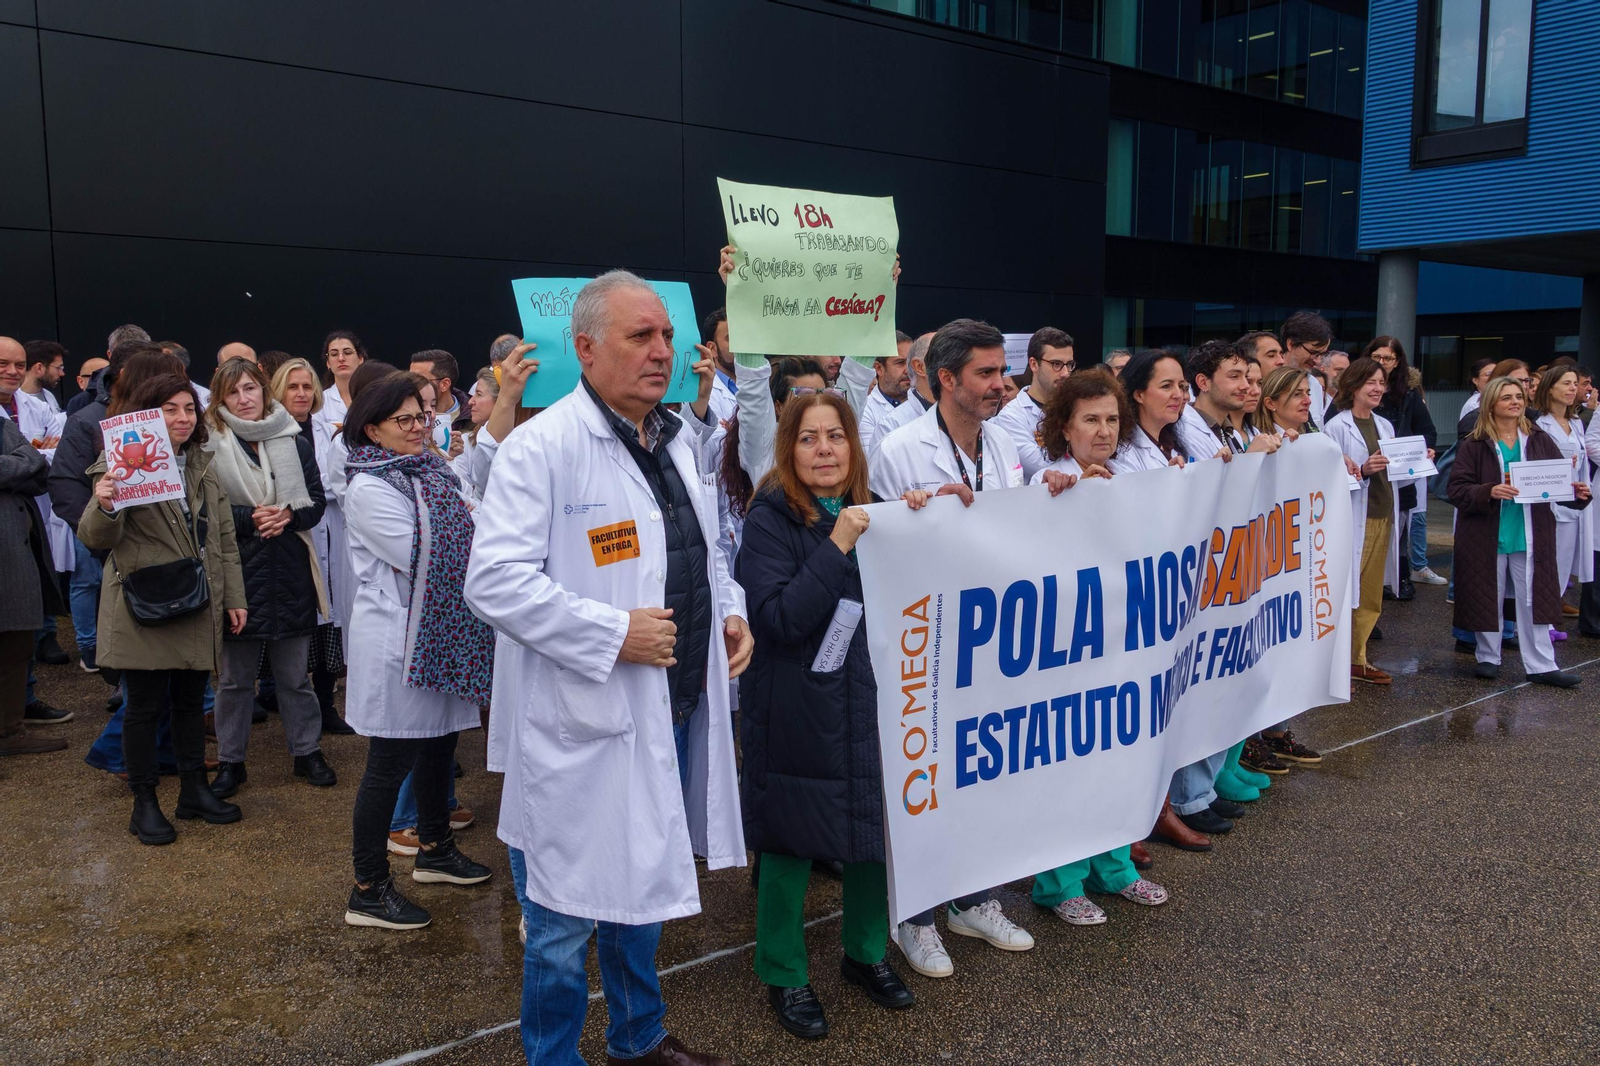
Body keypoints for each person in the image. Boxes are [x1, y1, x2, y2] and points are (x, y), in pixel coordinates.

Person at [465, 269, 750, 1066]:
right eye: (641, 337)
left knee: (644, 890)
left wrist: (730, 612)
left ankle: (639, 1038)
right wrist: (610, 633)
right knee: (560, 922)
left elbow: (703, 547)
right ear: (585, 349)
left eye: (665, 335)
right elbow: (492, 582)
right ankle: (553, 1057)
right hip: (580, 721)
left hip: (669, 704)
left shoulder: (674, 438)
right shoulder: (541, 448)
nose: (662, 352)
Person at [738, 391, 919, 1039]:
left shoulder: (877, 507)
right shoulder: (771, 517)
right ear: (789, 448)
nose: (824, 450)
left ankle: (866, 953)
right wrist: (837, 544)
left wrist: (939, 514)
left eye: (835, 436)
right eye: (809, 438)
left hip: (871, 697)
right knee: (790, 841)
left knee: (871, 833)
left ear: (853, 444)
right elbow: (779, 617)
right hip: (796, 706)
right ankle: (784, 973)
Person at [868, 318, 1036, 976]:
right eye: (987, 374)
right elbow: (876, 553)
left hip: (990, 640)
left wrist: (1054, 493)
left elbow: (1020, 532)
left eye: (1002, 372)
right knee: (924, 782)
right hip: (926, 646)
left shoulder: (1003, 447)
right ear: (946, 380)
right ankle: (916, 916)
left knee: (981, 776)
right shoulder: (900, 450)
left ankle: (974, 901)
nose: (1002, 385)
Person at [341, 373, 494, 931]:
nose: (416, 428)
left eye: (421, 417)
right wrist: (475, 530)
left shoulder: (434, 470)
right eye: (402, 420)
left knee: (439, 745)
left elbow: (475, 514)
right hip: (400, 638)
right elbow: (428, 553)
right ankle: (368, 887)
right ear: (373, 429)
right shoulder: (368, 488)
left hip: (441, 629)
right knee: (389, 762)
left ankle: (434, 848)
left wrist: (474, 526)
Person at [79, 374, 247, 843]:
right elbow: (96, 539)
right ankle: (144, 801)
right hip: (144, 604)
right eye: (170, 409)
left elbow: (224, 538)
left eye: (189, 409)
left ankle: (193, 790)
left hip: (196, 599)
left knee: (191, 702)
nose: (182, 418)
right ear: (146, 414)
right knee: (144, 707)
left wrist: (234, 596)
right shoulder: (119, 465)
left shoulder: (200, 462)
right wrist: (105, 502)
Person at [203, 359, 334, 798]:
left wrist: (290, 515)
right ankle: (231, 762)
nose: (243, 399)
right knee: (236, 680)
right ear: (220, 399)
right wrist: (248, 517)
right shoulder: (209, 443)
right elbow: (203, 511)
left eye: (250, 389)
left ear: (264, 391)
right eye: (233, 392)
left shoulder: (292, 439)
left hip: (289, 568)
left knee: (295, 676)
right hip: (238, 571)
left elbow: (316, 502)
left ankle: (307, 752)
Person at [1449, 376, 1589, 687]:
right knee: (1488, 593)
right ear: (1491, 404)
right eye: (1507, 397)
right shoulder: (1474, 444)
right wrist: (1489, 491)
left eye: (1518, 396)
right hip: (1487, 532)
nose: (1515, 401)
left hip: (1530, 532)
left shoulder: (1538, 439)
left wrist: (1576, 494)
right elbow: (1456, 490)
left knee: (1533, 598)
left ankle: (1542, 664)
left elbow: (1555, 484)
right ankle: (1488, 657)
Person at [272, 358, 355, 736]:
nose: (302, 394)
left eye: (307, 387)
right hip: (286, 536)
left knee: (328, 620)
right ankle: (279, 697)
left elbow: (340, 479)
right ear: (278, 391)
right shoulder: (269, 432)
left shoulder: (329, 429)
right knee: (291, 619)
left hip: (330, 528)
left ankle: (325, 705)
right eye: (293, 387)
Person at [1325, 358, 1400, 686]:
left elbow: (1397, 473)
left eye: (1381, 382)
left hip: (1383, 512)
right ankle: (1342, 658)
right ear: (1353, 386)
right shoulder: (1336, 427)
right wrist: (1364, 470)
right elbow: (1332, 477)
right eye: (1370, 382)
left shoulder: (1385, 425)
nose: (1377, 388)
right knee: (1349, 590)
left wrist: (1416, 462)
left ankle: (1358, 657)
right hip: (1358, 515)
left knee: (1371, 592)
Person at [0, 413, 68, 757]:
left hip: (13, 558)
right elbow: (27, 464)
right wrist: (18, 469)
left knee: (16, 646)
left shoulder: (1, 425)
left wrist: (17, 468)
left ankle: (10, 731)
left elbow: (38, 468)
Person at [1366, 337, 1439, 601]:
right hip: (1369, 475)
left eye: (1388, 358)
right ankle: (1371, 585)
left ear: (1398, 362)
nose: (1382, 363)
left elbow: (1428, 432)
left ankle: (1399, 577)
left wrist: (1426, 449)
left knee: (1400, 529)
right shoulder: (1353, 391)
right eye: (1377, 357)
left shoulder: (1408, 394)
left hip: (1401, 475)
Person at [1533, 363, 1593, 616]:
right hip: (1550, 506)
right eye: (1566, 383)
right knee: (1545, 565)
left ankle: (1552, 614)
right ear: (1550, 388)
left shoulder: (1576, 422)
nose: (1572, 389)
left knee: (1563, 565)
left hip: (1574, 506)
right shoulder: (1538, 424)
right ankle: (1542, 620)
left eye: (1574, 383)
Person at [991, 327, 1075, 482]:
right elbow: (1042, 466)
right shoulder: (1011, 417)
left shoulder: (1076, 407)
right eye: (1056, 364)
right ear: (1034, 364)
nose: (1065, 373)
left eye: (1069, 364)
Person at [1281, 311, 1334, 428]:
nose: (1318, 361)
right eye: (1314, 352)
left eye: (1322, 354)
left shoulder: (1315, 385)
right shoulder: (1265, 384)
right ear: (1291, 344)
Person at [699, 307, 739, 426]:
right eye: (732, 338)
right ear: (713, 349)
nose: (740, 345)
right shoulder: (707, 392)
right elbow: (718, 442)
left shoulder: (760, 383)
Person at [320, 331, 367, 429]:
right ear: (328, 363)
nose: (341, 358)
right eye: (334, 354)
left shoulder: (374, 396)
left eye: (348, 352)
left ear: (360, 359)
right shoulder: (320, 401)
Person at [21, 340, 65, 413]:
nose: (62, 373)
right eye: (58, 368)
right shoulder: (13, 401)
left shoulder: (49, 396)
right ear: (39, 368)